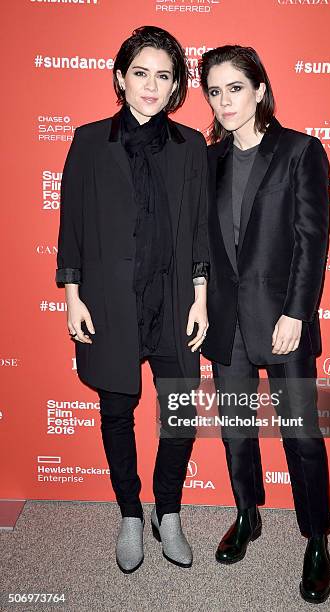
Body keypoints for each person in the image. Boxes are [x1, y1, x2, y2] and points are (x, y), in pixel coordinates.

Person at [56, 26, 209, 573]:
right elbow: (71, 223)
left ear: (175, 88)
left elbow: (198, 228)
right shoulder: (89, 140)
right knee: (116, 411)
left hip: (171, 301)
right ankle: (128, 512)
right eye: (139, 73)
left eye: (163, 76)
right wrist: (72, 296)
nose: (150, 85)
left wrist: (200, 296)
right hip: (109, 301)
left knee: (178, 414)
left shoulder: (192, 147)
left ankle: (168, 511)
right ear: (121, 79)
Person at [199, 45, 330, 603]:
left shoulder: (301, 151)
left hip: (284, 320)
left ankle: (317, 538)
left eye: (235, 87)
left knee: (301, 435)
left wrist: (297, 312)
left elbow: (312, 239)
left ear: (259, 90)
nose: (224, 100)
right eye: (214, 90)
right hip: (226, 322)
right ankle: (247, 514)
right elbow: (204, 244)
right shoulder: (210, 159)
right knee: (235, 432)